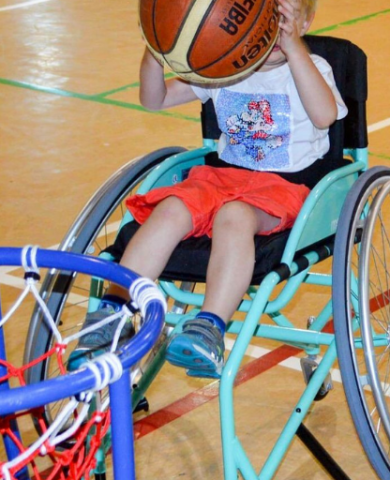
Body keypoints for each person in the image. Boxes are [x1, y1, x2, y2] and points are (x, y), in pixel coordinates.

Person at [68, 0, 347, 379]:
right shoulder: (222, 66)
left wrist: (294, 47)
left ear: (307, 20)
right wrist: (157, 51)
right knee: (171, 208)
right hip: (222, 178)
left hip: (283, 186)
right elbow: (155, 99)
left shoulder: (314, 68)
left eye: (286, 17)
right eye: (267, 19)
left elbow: (324, 116)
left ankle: (209, 326)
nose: (275, 29)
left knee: (233, 217)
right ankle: (116, 310)